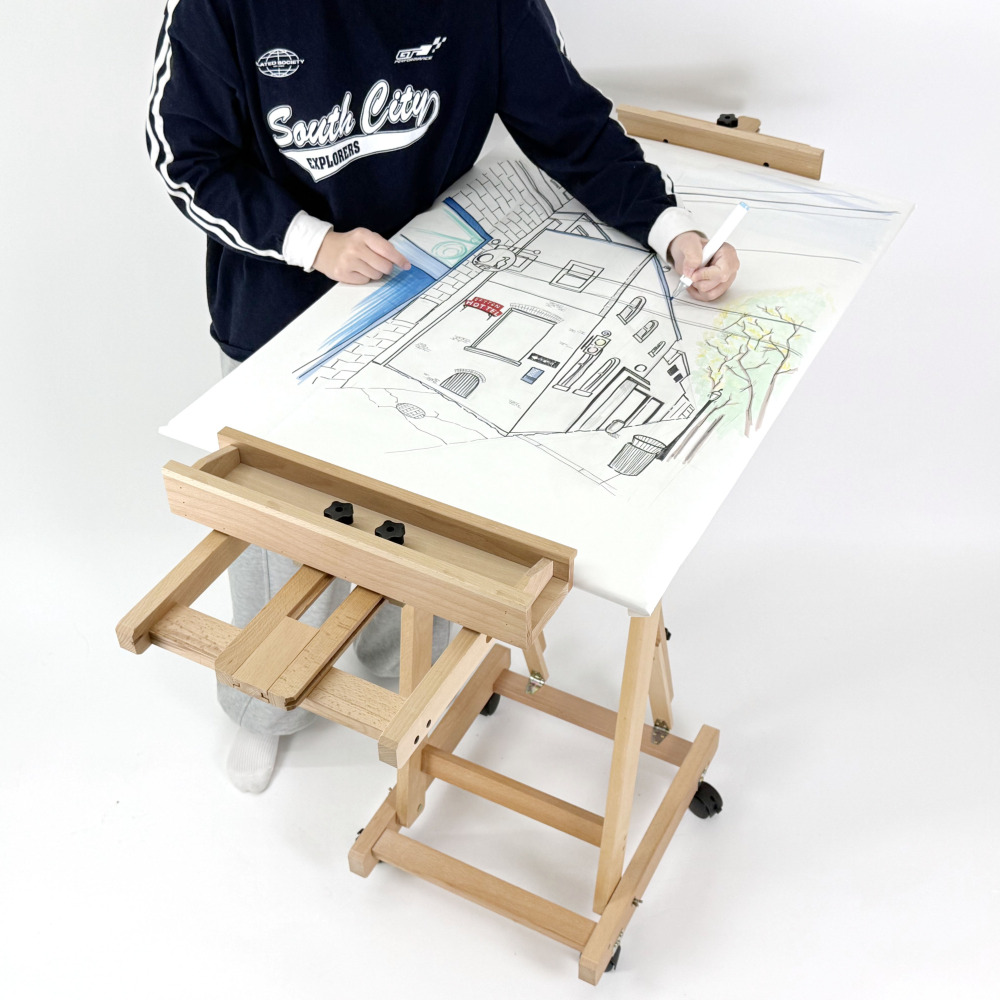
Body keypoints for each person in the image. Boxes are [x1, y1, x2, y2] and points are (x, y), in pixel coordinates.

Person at [147, 0, 740, 792]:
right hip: (275, 316)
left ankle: (400, 670)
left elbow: (568, 124)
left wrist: (672, 229)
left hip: (423, 302)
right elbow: (185, 156)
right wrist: (312, 243)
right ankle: (264, 709)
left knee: (411, 518)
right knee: (275, 536)